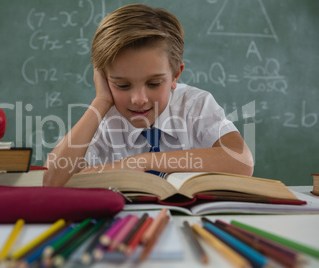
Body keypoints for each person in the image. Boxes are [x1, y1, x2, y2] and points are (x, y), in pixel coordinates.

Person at [43, 4, 253, 187]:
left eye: (153, 83)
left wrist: (139, 162)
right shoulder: (105, 119)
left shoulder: (194, 104)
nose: (139, 99)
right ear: (105, 80)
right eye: (123, 85)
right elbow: (51, 181)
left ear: (176, 74)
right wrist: (101, 101)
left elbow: (241, 161)